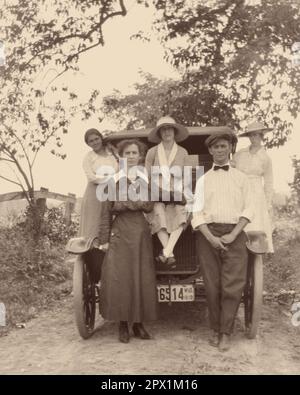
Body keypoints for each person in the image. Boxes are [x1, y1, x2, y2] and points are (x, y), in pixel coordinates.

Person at [191, 131, 254, 352]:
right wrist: (211, 237)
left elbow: (249, 209)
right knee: (212, 286)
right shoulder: (203, 180)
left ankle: (225, 333)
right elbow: (196, 213)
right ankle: (217, 329)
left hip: (234, 234)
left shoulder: (241, 178)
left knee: (232, 286)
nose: (219, 150)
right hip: (208, 234)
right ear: (210, 151)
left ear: (230, 149)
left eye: (223, 146)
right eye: (215, 147)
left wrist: (233, 235)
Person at [100, 139, 157, 343]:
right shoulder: (113, 180)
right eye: (127, 153)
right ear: (121, 157)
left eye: (134, 153)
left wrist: (125, 203)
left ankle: (138, 324)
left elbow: (149, 205)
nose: (131, 156)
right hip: (120, 231)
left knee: (140, 276)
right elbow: (107, 210)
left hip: (140, 232)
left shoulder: (146, 178)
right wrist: (104, 239)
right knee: (121, 278)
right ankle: (123, 325)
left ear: (140, 156)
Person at [145, 116, 190, 267]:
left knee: (183, 215)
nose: (166, 132)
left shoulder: (183, 152)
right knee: (157, 214)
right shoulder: (152, 152)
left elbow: (187, 176)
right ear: (159, 133)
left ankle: (166, 253)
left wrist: (182, 194)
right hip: (157, 193)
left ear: (174, 131)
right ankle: (169, 254)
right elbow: (147, 176)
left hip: (177, 192)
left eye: (169, 128)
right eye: (163, 129)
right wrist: (156, 191)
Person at [79, 128, 118, 280]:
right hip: (95, 194)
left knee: (112, 221)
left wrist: (113, 180)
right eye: (91, 141)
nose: (94, 142)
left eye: (96, 139)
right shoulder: (88, 157)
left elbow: (120, 168)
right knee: (94, 226)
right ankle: (95, 264)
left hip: (113, 191)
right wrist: (108, 179)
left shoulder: (111, 154)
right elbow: (91, 177)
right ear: (88, 144)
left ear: (101, 138)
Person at [233, 121, 274, 253]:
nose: (254, 138)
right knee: (240, 220)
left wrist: (268, 203)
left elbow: (269, 182)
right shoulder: (240, 154)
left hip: (256, 192)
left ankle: (256, 253)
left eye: (257, 135)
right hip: (240, 190)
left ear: (262, 136)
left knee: (256, 224)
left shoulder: (265, 158)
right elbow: (231, 169)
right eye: (251, 135)